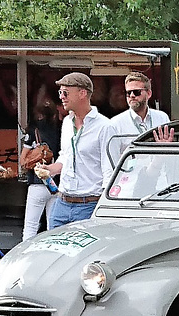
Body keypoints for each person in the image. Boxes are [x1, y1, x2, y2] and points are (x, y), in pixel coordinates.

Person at [41, 73, 116, 228]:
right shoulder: (67, 123)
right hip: (62, 202)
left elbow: (109, 169)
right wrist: (50, 169)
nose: (62, 97)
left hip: (89, 204)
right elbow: (65, 157)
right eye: (60, 92)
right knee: (55, 250)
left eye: (66, 92)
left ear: (82, 93)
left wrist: (104, 207)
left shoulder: (105, 126)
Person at [20, 99, 61, 240]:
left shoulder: (33, 131)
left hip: (37, 182)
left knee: (31, 226)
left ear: (39, 115)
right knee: (53, 227)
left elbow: (22, 160)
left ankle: (25, 256)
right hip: (55, 184)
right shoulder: (61, 130)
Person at [111, 72, 170, 137]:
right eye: (128, 93)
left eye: (137, 92)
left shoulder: (162, 118)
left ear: (148, 93)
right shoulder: (116, 123)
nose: (132, 95)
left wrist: (164, 145)